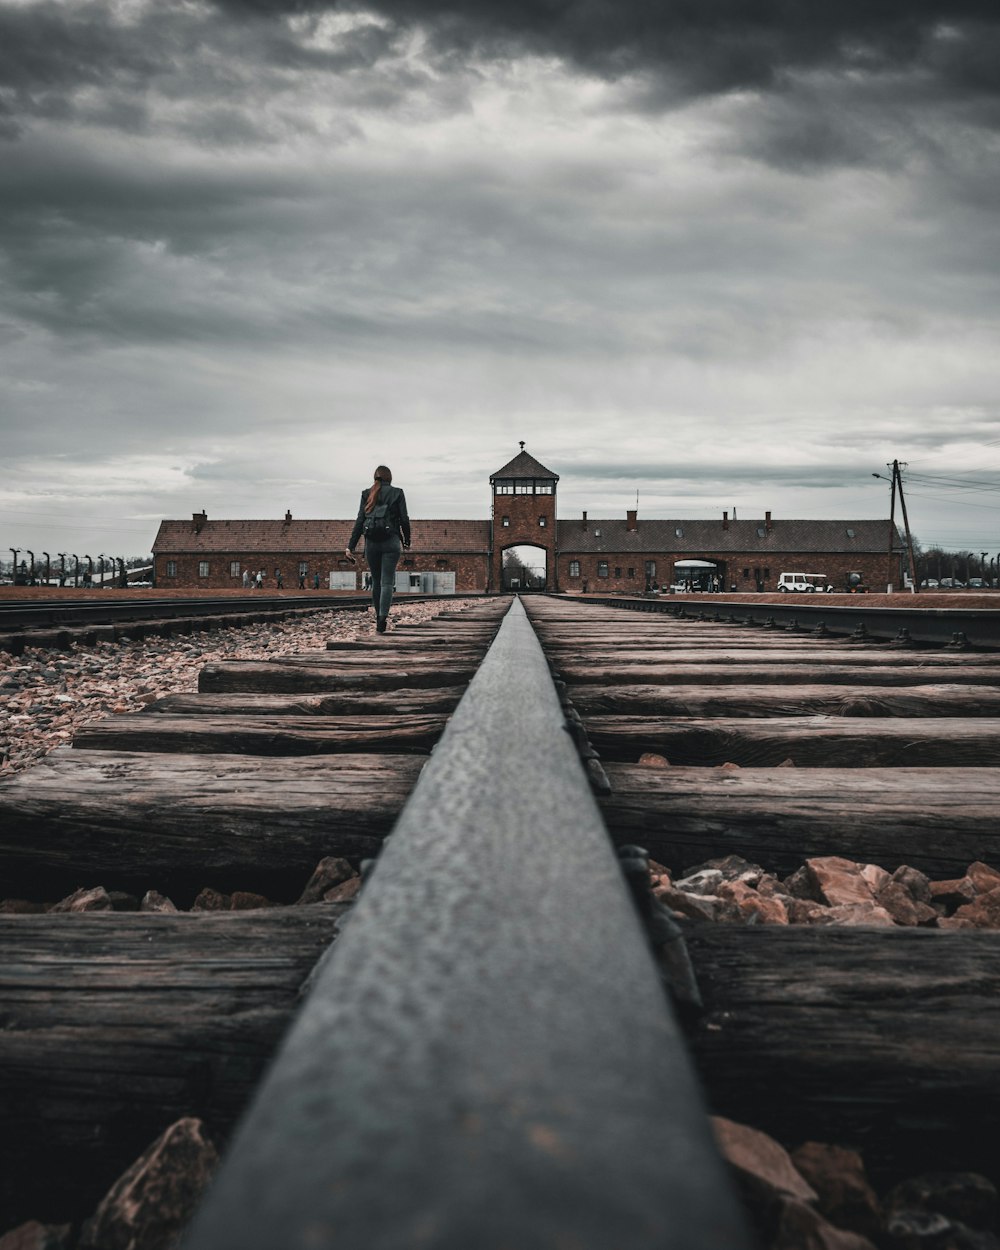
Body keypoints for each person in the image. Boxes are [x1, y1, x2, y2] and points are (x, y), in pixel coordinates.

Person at [347, 464, 411, 633]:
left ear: (374, 477)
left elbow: (360, 521)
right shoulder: (397, 493)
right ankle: (382, 619)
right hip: (391, 542)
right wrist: (407, 540)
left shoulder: (366, 494)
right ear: (390, 478)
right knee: (387, 582)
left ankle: (377, 618)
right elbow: (404, 519)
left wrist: (350, 546)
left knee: (376, 582)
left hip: (372, 543)